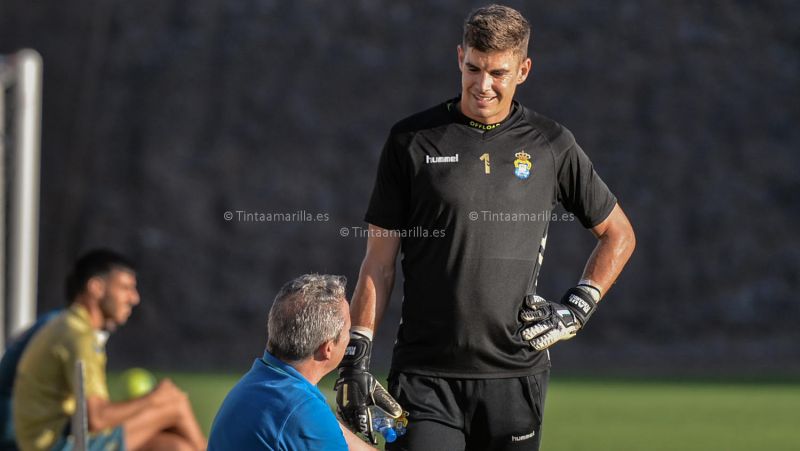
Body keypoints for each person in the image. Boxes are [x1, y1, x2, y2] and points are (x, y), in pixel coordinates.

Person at [335, 4, 636, 451]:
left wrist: (577, 309)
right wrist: (357, 351)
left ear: (524, 69)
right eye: (473, 68)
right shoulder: (410, 141)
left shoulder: (552, 144)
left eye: (498, 72)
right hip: (425, 377)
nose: (483, 84)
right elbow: (378, 263)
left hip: (515, 377)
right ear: (460, 57)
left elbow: (619, 233)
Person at [12, 249, 207, 451]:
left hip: (56, 440)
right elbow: (97, 418)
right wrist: (154, 398)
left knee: (176, 447)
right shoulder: (79, 337)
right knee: (174, 403)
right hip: (59, 446)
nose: (134, 298)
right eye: (125, 288)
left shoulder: (67, 326)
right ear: (96, 287)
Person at [208, 274, 375, 451]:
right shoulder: (301, 411)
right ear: (327, 348)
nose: (349, 338)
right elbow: (306, 422)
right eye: (348, 331)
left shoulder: (261, 381)